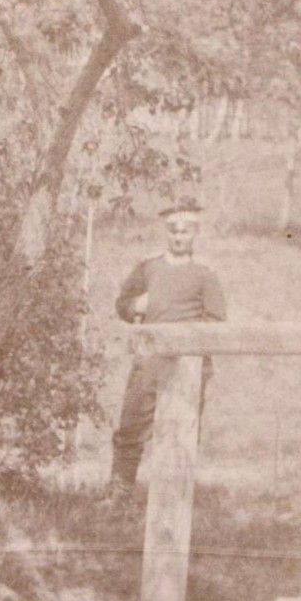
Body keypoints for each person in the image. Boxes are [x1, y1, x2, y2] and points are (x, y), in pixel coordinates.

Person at [110, 195, 226, 490]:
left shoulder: (205, 274)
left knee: (181, 432)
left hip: (188, 364)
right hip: (149, 360)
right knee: (131, 425)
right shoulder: (148, 268)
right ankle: (120, 492)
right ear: (166, 232)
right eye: (173, 230)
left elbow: (216, 322)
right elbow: (122, 305)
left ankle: (173, 496)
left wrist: (190, 341)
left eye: (185, 231)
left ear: (195, 233)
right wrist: (138, 304)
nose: (178, 237)